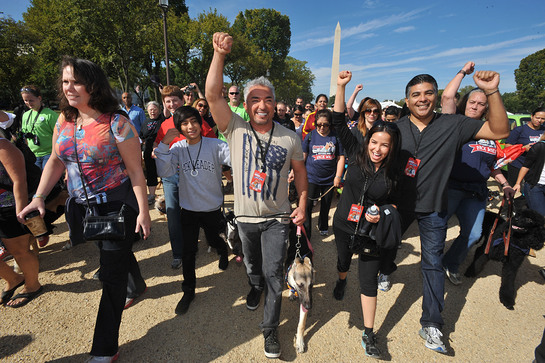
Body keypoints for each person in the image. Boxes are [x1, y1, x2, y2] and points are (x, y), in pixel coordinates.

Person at [18, 56, 151, 363]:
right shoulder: (65, 120)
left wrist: (143, 212)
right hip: (83, 206)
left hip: (118, 205)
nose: (70, 88)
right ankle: (138, 283)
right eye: (65, 81)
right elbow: (54, 159)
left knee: (110, 275)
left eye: (76, 81)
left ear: (93, 85)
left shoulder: (117, 122)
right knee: (112, 253)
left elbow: (135, 172)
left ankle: (105, 349)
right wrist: (39, 197)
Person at [206, 32, 308, 359]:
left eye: (266, 99)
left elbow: (301, 176)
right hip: (245, 219)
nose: (261, 105)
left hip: (278, 218)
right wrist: (219, 55)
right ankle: (255, 285)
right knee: (254, 267)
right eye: (254, 99)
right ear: (246, 105)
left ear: (273, 103)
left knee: (275, 273)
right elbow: (212, 96)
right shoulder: (233, 128)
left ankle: (270, 330)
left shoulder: (290, 137)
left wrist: (303, 203)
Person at [394, 69, 509, 353]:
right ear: (407, 101)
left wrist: (492, 91)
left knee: (432, 263)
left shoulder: (455, 124)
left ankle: (432, 323)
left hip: (434, 205)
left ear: (437, 96)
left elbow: (500, 131)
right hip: (399, 203)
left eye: (428, 93)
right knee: (385, 246)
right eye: (416, 95)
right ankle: (385, 269)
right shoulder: (395, 128)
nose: (422, 99)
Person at [333, 72, 402, 358]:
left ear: (391, 147)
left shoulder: (395, 171)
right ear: (368, 140)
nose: (378, 149)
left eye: (384, 145)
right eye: (375, 142)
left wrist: (383, 213)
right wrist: (341, 86)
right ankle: (340, 279)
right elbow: (338, 120)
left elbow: (398, 205)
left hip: (371, 231)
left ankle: (369, 332)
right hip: (345, 224)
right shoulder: (355, 152)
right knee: (342, 261)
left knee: (369, 280)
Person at [440, 61, 515, 286]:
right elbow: (446, 98)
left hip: (476, 191)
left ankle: (450, 263)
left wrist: (505, 184)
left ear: (486, 108)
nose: (475, 106)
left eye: (481, 104)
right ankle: (431, 264)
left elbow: (492, 166)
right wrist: (463, 73)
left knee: (473, 235)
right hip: (451, 187)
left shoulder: (490, 132)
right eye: (471, 101)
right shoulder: (454, 123)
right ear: (465, 104)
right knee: (437, 229)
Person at [155, 106, 230, 314]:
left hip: (212, 208)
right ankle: (188, 291)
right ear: (179, 128)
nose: (190, 127)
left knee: (214, 240)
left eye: (194, 121)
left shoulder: (215, 145)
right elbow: (165, 170)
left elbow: (234, 160)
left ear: (200, 122)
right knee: (189, 252)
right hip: (188, 209)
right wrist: (163, 144)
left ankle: (223, 250)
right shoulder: (177, 148)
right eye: (185, 123)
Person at [154, 86, 216, 269]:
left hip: (194, 174)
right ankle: (178, 254)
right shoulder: (165, 125)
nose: (172, 104)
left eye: (175, 100)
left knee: (198, 210)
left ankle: (210, 240)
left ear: (183, 101)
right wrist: (156, 150)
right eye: (168, 101)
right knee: (173, 213)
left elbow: (212, 141)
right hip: (171, 175)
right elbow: (158, 143)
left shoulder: (197, 121)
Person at [0, 111, 43, 308]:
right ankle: (13, 279)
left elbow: (19, 180)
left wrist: (20, 211)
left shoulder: (3, 146)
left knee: (20, 251)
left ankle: (33, 285)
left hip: (6, 206)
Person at [302, 109, 345, 238]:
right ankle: (306, 231)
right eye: (319, 124)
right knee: (308, 206)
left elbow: (341, 157)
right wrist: (295, 171)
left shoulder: (335, 137)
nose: (322, 127)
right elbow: (303, 156)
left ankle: (323, 226)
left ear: (330, 124)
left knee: (326, 205)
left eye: (325, 124)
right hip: (311, 177)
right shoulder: (310, 136)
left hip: (329, 179)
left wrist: (338, 176)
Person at [20, 85, 58, 169]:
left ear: (39, 98)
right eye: (25, 100)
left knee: (48, 180)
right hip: (33, 154)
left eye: (31, 100)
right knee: (36, 180)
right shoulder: (25, 115)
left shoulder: (50, 115)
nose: (28, 103)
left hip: (49, 154)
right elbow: (25, 134)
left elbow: (60, 135)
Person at [504, 106, 545, 186]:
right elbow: (507, 146)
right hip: (518, 164)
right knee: (512, 189)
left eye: (543, 119)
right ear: (532, 116)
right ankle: (507, 199)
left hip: (535, 166)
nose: (539, 120)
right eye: (537, 118)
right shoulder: (519, 130)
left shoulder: (544, 130)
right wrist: (523, 148)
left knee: (531, 189)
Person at [513, 132, 545, 216]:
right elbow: (526, 166)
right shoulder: (540, 146)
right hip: (536, 186)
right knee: (539, 216)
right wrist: (518, 183)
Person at [139, 101, 165, 204]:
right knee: (150, 173)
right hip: (148, 151)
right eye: (150, 110)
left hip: (161, 150)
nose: (152, 111)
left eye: (155, 109)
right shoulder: (145, 122)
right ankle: (152, 195)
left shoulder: (162, 119)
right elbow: (141, 136)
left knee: (164, 171)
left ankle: (166, 194)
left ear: (159, 110)